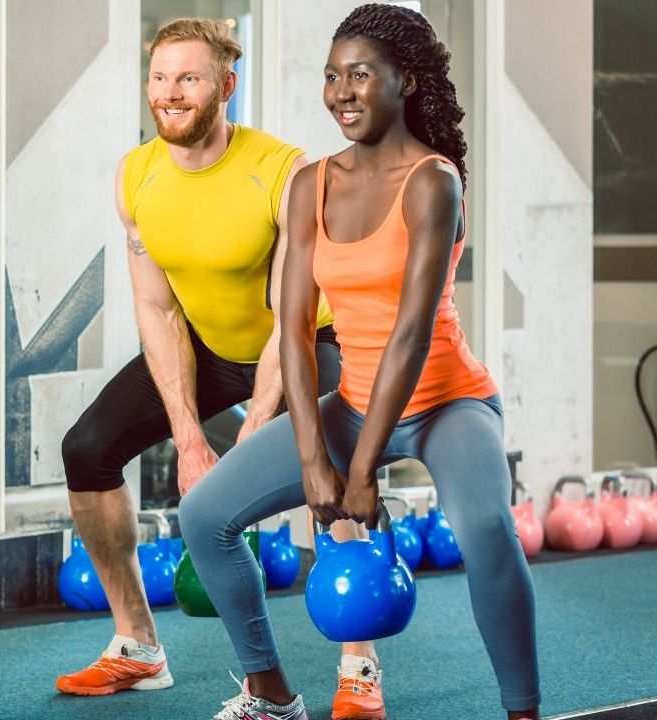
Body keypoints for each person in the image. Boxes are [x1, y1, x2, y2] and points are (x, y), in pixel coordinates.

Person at [178, 5, 541, 720]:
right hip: (353, 404)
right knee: (203, 515)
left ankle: (523, 710)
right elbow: (292, 326)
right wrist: (316, 460)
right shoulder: (312, 183)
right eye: (331, 76)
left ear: (405, 81)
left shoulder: (435, 182)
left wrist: (363, 468)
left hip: (446, 402)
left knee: (486, 529)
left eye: (360, 74)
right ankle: (272, 695)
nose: (342, 91)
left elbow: (410, 332)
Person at [56, 17, 386, 720]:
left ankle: (359, 666)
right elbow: (158, 310)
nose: (169, 93)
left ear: (226, 87)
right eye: (159, 77)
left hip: (306, 344)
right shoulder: (137, 174)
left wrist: (250, 436)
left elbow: (290, 318)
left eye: (188, 78)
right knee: (86, 448)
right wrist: (189, 435)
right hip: (207, 349)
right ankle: (138, 646)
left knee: (322, 471)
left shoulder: (283, 171)